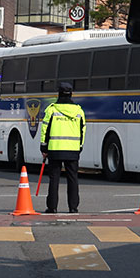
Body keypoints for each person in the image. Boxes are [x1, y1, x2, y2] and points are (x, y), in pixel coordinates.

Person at [39, 81, 87, 214]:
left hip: (55, 149)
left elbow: (45, 130)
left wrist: (44, 148)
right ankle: (73, 208)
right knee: (73, 178)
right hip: (73, 150)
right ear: (71, 94)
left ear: (58, 94)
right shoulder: (79, 111)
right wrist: (79, 147)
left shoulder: (52, 110)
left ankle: (52, 207)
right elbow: (83, 131)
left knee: (54, 179)